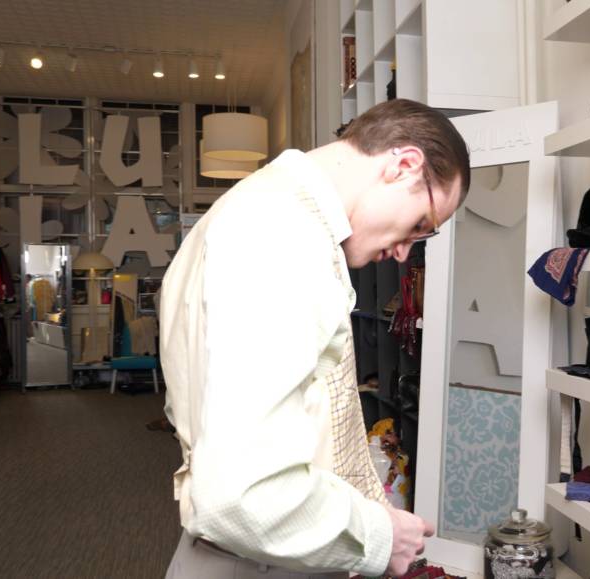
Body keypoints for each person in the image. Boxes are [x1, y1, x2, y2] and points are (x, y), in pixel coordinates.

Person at [160, 98, 470, 578]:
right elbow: (243, 492)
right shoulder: (278, 237)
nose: (407, 250)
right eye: (421, 225)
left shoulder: (258, 211)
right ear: (405, 166)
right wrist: (380, 534)